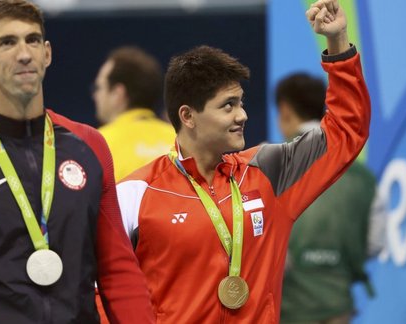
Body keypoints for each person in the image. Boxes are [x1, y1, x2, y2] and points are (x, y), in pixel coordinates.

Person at [115, 0, 370, 322]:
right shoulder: (134, 194)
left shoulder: (269, 171)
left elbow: (348, 130)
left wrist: (338, 44)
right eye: (228, 106)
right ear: (188, 116)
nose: (243, 115)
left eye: (242, 102)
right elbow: (103, 287)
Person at [0, 1, 153, 323]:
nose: (24, 54)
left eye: (32, 40)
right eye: (7, 42)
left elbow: (118, 269)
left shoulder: (90, 146)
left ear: (47, 53)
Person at [276, 73, 385, 324]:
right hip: (339, 308)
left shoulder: (267, 167)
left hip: (286, 310)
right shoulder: (363, 177)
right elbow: (374, 243)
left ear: (284, 110)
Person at [93, 46, 175, 182]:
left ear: (117, 93)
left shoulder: (99, 144)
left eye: (99, 87)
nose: (95, 95)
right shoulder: (181, 141)